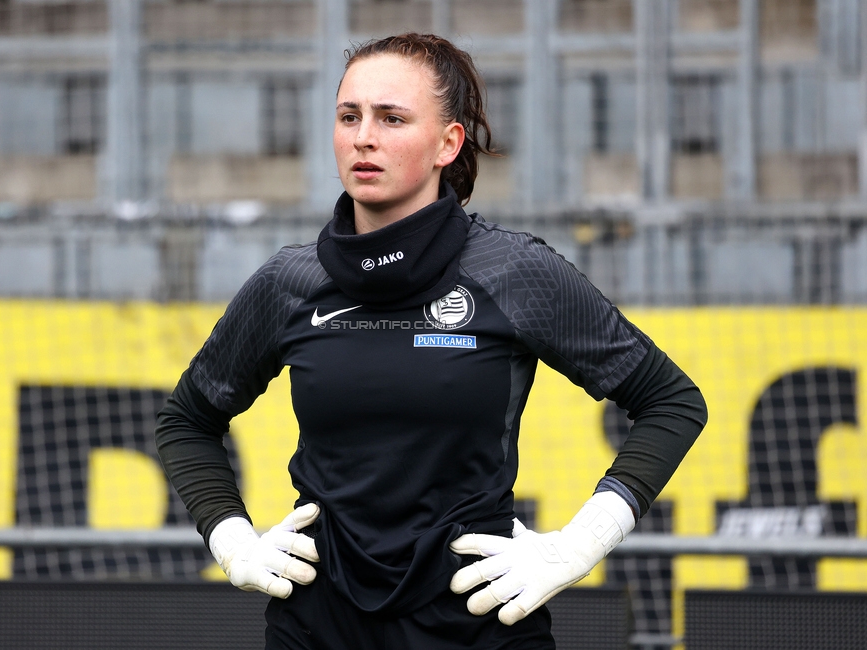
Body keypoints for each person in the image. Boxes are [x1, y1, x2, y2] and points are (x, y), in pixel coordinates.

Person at [156, 33, 707, 649]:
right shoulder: (291, 280)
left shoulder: (512, 271)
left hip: (479, 627)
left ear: (449, 142)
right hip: (316, 628)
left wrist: (578, 547)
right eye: (349, 116)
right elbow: (187, 421)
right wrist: (234, 544)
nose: (364, 136)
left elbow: (672, 402)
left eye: (392, 118)